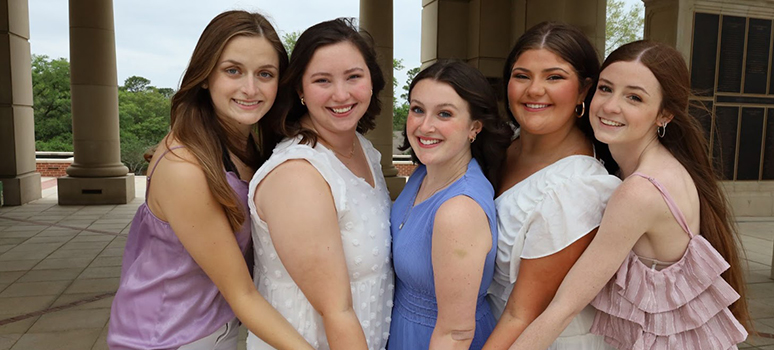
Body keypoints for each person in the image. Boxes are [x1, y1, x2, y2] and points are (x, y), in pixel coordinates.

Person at [510, 40, 750, 350]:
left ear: (664, 115)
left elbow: (563, 307)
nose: (610, 106)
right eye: (606, 89)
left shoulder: (640, 191)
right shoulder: (657, 167)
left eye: (634, 97)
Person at [108, 10, 313, 350]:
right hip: (166, 338)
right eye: (233, 70)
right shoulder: (185, 167)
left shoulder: (245, 141)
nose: (250, 88)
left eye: (265, 73)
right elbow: (242, 293)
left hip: (210, 327)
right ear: (205, 76)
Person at [247, 18, 393, 350]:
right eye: (322, 80)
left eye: (354, 76)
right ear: (299, 89)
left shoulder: (364, 150)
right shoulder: (297, 175)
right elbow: (336, 310)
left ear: (372, 80)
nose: (341, 94)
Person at [482, 22, 621, 350]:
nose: (534, 90)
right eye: (522, 76)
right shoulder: (503, 147)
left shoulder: (579, 188)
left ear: (584, 90)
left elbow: (524, 312)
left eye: (554, 77)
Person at [388, 60, 512, 350]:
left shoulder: (458, 211)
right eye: (417, 109)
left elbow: (456, 334)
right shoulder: (423, 173)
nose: (425, 125)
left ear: (474, 127)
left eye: (444, 113)